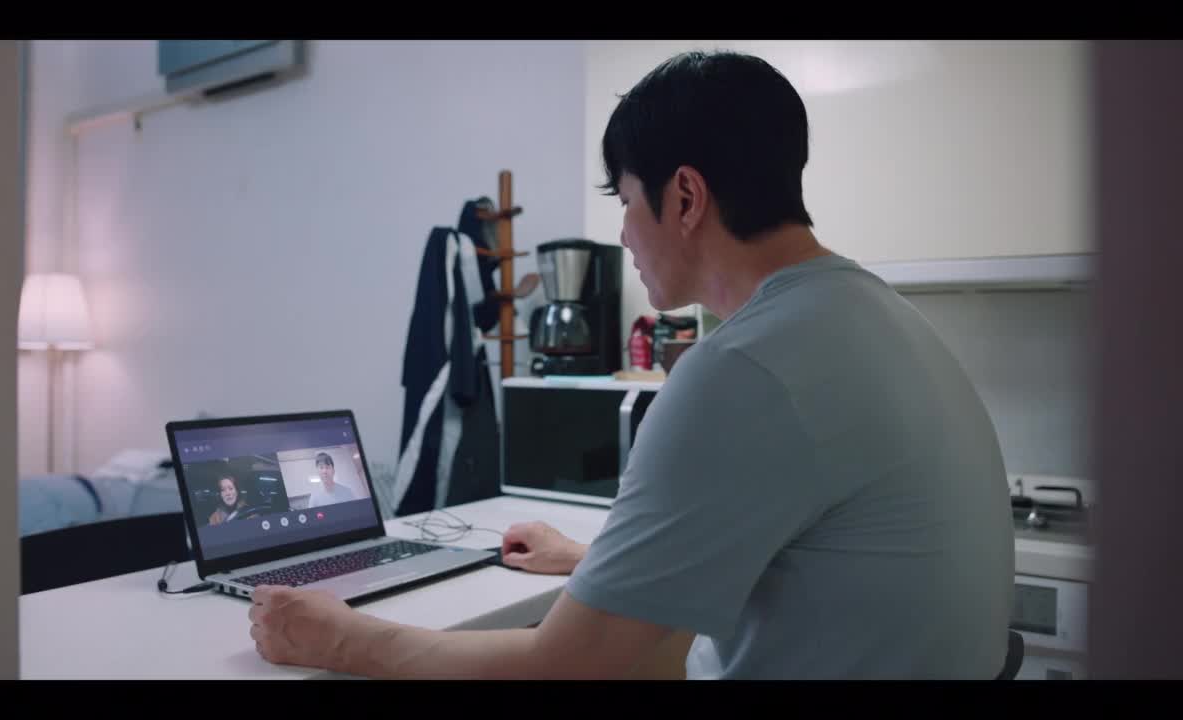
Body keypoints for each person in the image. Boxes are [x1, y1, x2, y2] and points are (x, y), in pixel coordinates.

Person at [247, 49, 1014, 679]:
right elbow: (806, 554)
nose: (620, 233)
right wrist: (593, 561)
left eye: (624, 199)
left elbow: (564, 668)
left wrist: (340, 637)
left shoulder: (742, 369)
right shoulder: (878, 317)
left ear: (685, 198)